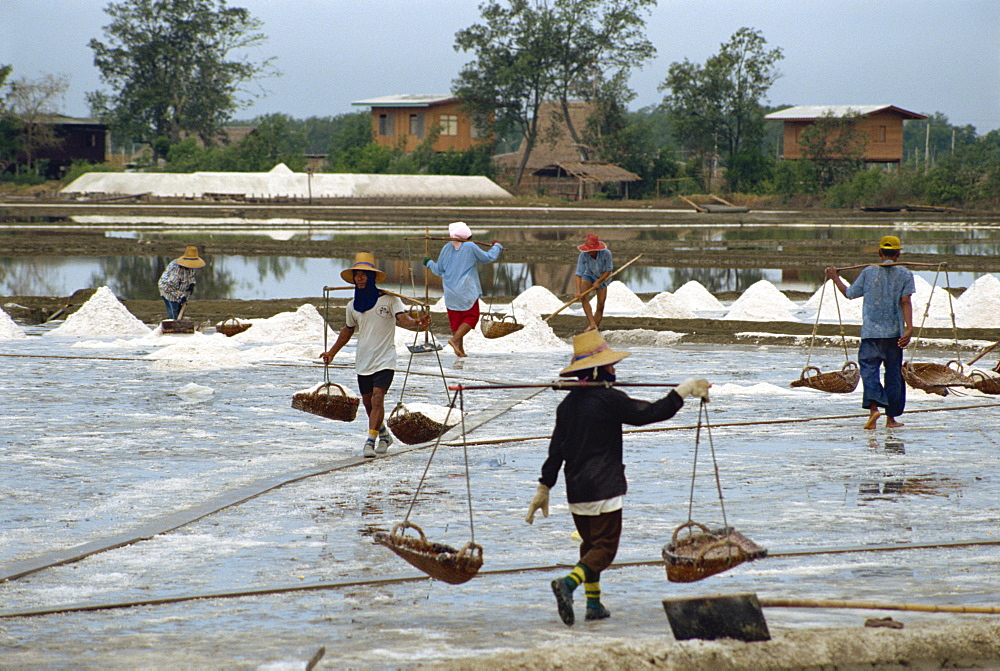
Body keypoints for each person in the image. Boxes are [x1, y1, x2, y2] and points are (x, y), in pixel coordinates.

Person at [524, 330, 710, 626]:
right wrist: (684, 390)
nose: (615, 370)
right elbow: (649, 413)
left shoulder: (567, 405)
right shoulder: (608, 399)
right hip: (604, 487)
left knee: (590, 547)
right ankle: (568, 584)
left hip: (577, 490)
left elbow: (556, 450)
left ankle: (594, 605)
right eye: (610, 366)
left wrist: (544, 486)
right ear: (597, 370)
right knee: (605, 549)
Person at [321, 252, 430, 458]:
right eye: (357, 275)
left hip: (385, 358)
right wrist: (332, 352)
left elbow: (403, 319)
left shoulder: (390, 300)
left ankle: (370, 442)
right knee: (368, 403)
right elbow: (347, 330)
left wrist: (417, 323)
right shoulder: (352, 306)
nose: (360, 278)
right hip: (364, 359)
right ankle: (384, 435)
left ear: (372, 278)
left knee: (378, 398)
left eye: (364, 275)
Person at [826, 235, 914, 430]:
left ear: (879, 253)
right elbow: (905, 301)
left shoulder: (868, 272)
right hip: (894, 335)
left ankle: (874, 409)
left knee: (869, 372)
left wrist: (835, 277)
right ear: (898, 254)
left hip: (871, 335)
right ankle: (891, 419)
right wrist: (909, 328)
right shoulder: (905, 274)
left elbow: (849, 293)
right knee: (893, 375)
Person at [423, 221, 502, 357]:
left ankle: (460, 351)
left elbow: (439, 270)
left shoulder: (446, 248)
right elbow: (488, 257)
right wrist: (497, 246)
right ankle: (454, 340)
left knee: (456, 321)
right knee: (472, 317)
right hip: (466, 291)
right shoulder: (470, 246)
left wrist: (429, 263)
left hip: (450, 292)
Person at [575, 234, 613, 332]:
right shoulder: (583, 255)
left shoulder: (606, 254)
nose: (589, 252)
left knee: (600, 305)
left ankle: (594, 329)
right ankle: (592, 323)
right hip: (589, 275)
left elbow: (608, 270)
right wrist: (578, 292)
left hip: (603, 277)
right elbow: (579, 274)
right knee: (583, 296)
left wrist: (599, 281)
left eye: (591, 250)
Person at [158, 245, 205, 319]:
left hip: (179, 289)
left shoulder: (191, 268)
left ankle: (177, 323)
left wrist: (191, 284)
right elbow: (170, 285)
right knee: (174, 311)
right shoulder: (177, 269)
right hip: (168, 290)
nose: (192, 266)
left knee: (180, 311)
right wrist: (181, 296)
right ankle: (172, 326)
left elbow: (190, 277)